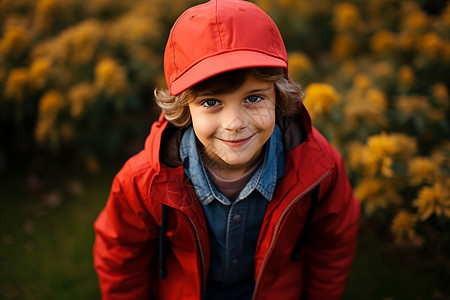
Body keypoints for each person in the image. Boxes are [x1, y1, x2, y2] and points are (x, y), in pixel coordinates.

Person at [93, 0, 360, 299]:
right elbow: (120, 256)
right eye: (211, 102)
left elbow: (332, 244)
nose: (234, 123)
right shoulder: (144, 180)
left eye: (253, 98)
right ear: (185, 109)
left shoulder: (319, 168)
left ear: (279, 95)